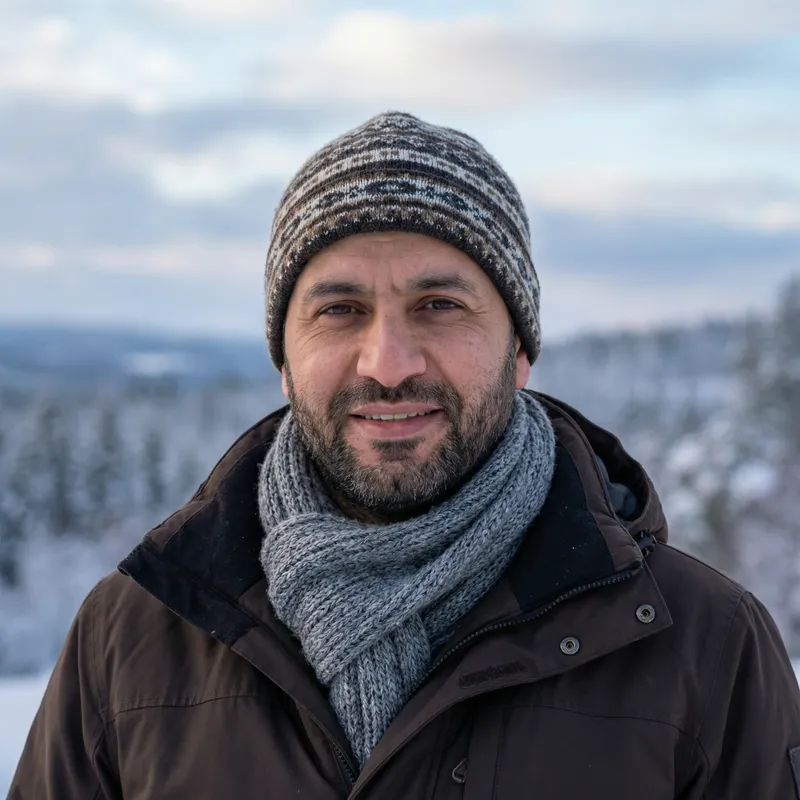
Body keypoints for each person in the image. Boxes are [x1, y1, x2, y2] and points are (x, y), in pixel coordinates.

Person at [10, 111, 800, 799]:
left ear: (519, 349)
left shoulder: (704, 644)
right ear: (283, 359)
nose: (388, 363)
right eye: (340, 310)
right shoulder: (133, 635)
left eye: (439, 305)